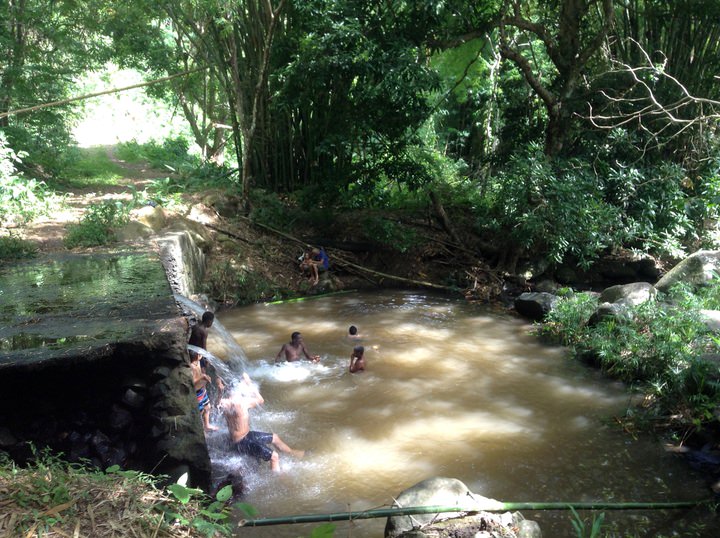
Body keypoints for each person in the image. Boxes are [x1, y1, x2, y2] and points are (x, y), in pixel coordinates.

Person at [219, 373, 304, 472]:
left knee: (274, 437)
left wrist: (220, 389)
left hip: (243, 437)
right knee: (274, 456)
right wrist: (249, 383)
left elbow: (217, 404)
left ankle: (291, 452)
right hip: (243, 442)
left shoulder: (223, 403)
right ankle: (279, 479)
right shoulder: (243, 402)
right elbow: (261, 400)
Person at [189, 311, 225, 405]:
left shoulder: (196, 326)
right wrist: (207, 359)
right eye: (212, 322)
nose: (211, 324)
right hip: (198, 355)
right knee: (203, 373)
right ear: (209, 321)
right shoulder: (204, 331)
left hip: (191, 351)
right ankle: (203, 395)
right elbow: (204, 348)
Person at [191, 351, 218, 432]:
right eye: (200, 354)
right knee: (200, 411)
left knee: (207, 407)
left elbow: (202, 371)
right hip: (197, 392)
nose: (201, 355)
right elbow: (192, 382)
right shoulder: (191, 366)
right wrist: (202, 377)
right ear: (197, 356)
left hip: (202, 390)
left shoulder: (198, 362)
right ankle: (200, 429)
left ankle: (207, 425)